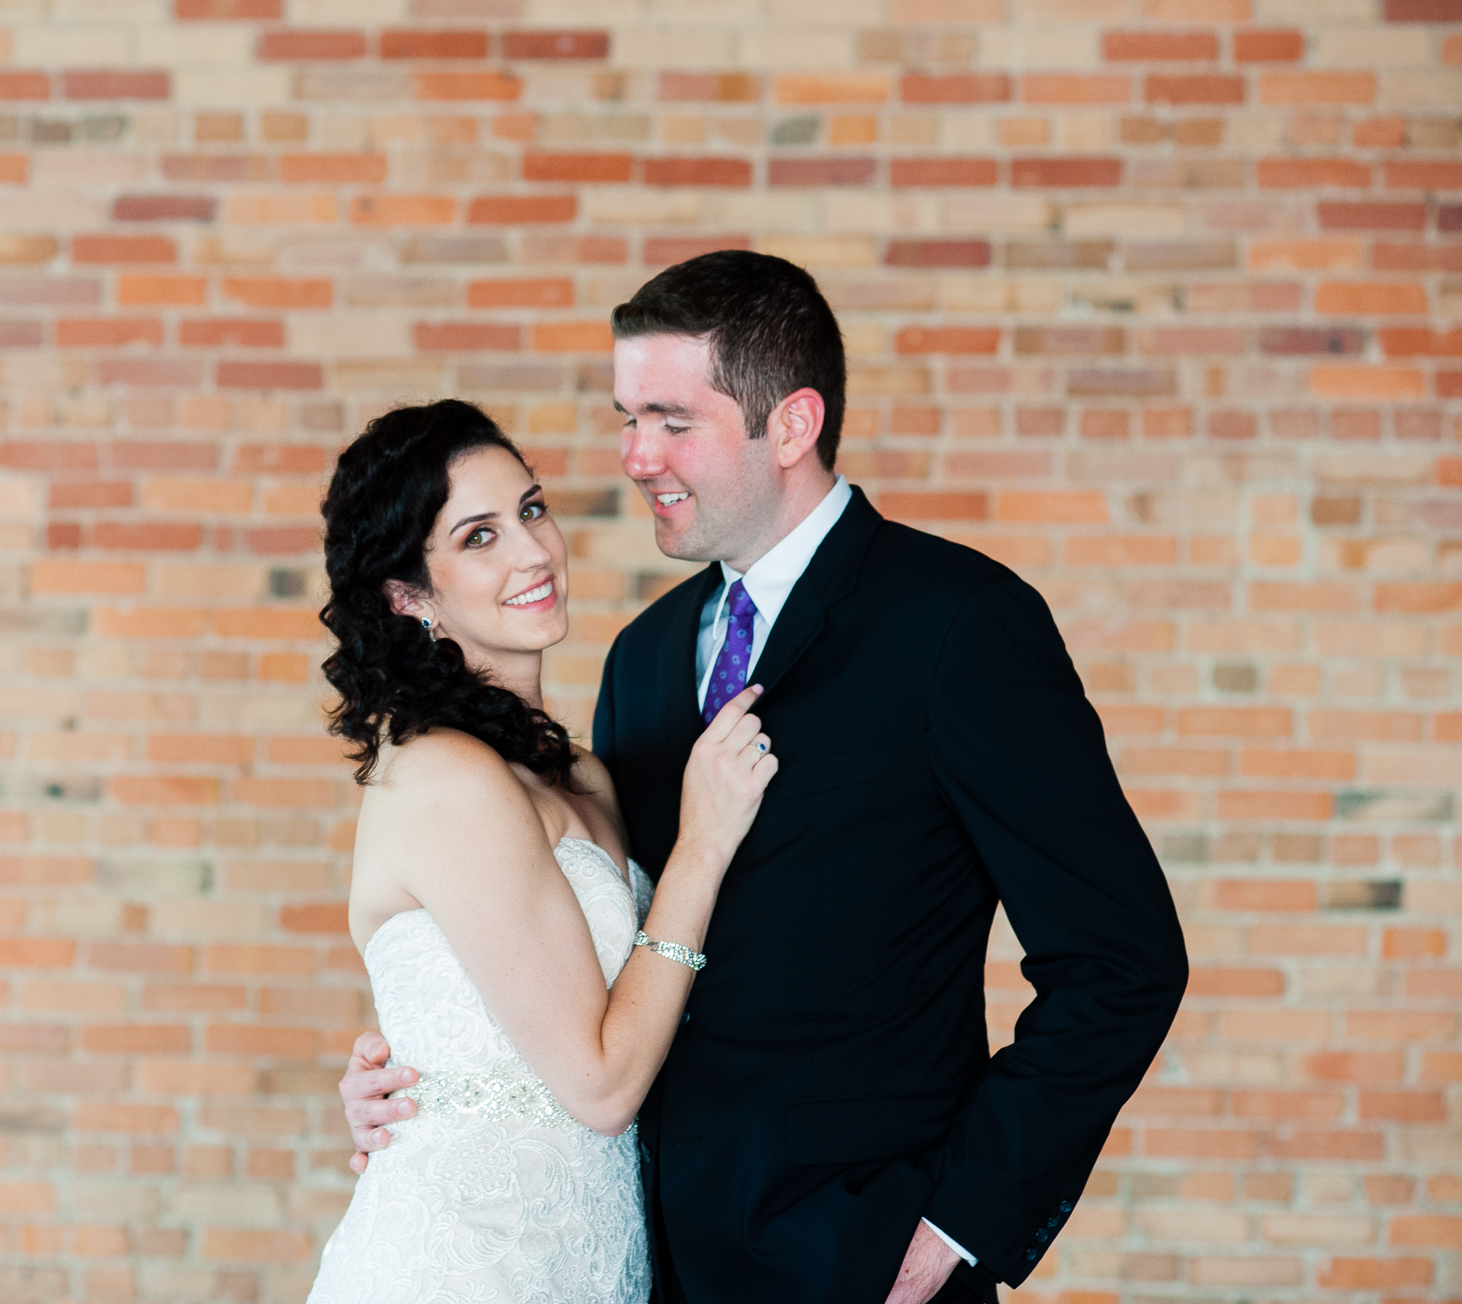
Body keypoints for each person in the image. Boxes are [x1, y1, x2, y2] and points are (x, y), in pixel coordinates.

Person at [339, 252, 1190, 1303]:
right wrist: (426, 1073)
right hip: (646, 1261)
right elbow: (578, 957)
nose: (635, 455)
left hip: (858, 1262)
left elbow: (1121, 958)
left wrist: (956, 1220)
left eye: (671, 420)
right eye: (625, 416)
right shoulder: (644, 659)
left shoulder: (957, 625)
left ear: (789, 425)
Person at [305, 399, 779, 1303]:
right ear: (410, 596)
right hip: (464, 1267)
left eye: (529, 510)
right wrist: (702, 845)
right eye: (478, 537)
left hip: (595, 1260)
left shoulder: (584, 777)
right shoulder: (444, 774)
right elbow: (600, 1088)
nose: (533, 552)